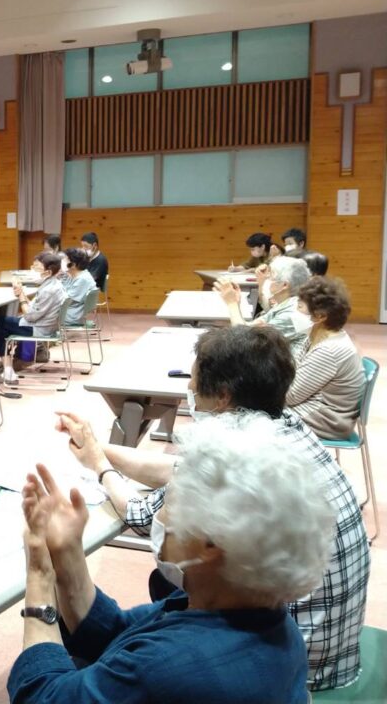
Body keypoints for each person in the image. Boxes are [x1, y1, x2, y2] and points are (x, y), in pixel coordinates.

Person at [57, 325, 369, 691]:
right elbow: (174, 470)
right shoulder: (282, 429)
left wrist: (102, 471)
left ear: (222, 396)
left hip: (284, 668)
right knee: (168, 587)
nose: (189, 391)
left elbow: (143, 516)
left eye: (193, 384)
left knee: (175, 579)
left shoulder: (234, 447)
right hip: (321, 649)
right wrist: (99, 451)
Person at [9, 414, 334, 703]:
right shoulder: (258, 615)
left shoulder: (167, 668)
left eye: (168, 500)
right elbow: (115, 631)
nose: (160, 515)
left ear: (210, 543)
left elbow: (39, 695)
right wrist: (66, 553)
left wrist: (39, 574)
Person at [286, 277, 365, 441]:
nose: (294, 311)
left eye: (300, 306)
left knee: (252, 415)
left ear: (320, 316)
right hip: (315, 410)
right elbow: (293, 370)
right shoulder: (317, 336)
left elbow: (290, 396)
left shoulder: (329, 350)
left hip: (325, 421)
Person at [214, 255, 310, 357]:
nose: (267, 279)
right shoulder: (285, 304)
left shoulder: (294, 313)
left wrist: (231, 303)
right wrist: (236, 302)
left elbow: (243, 339)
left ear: (284, 285)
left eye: (271, 276)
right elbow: (248, 328)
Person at [0, 253, 67, 358]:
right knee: (3, 324)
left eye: (36, 268)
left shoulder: (48, 291)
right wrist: (21, 292)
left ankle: (6, 358)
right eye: (33, 266)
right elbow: (33, 306)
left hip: (40, 329)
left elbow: (29, 316)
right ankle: (10, 357)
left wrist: (20, 296)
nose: (33, 271)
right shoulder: (54, 283)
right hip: (45, 325)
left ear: (48, 272)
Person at [61, 248, 95, 326]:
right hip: (69, 311)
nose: (62, 262)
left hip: (70, 316)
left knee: (40, 316)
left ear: (73, 264)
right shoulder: (72, 274)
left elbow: (66, 301)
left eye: (65, 259)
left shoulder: (82, 279)